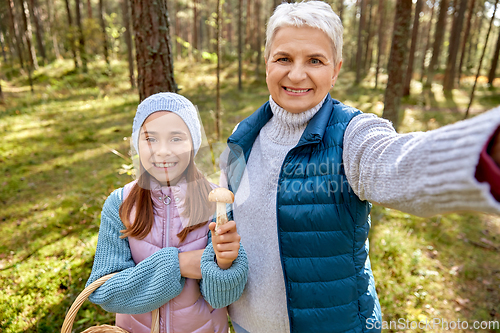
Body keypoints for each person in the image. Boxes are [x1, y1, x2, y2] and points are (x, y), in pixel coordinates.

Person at [218, 1, 500, 333]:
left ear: (335, 71)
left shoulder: (353, 135)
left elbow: (397, 163)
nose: (296, 74)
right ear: (267, 63)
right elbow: (224, 216)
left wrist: (486, 151)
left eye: (315, 60)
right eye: (283, 58)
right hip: (246, 325)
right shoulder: (243, 136)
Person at [86, 92, 248, 333]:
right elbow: (104, 292)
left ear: (193, 143)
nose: (162, 151)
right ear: (136, 143)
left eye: (176, 139)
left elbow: (222, 299)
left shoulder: (217, 204)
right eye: (150, 139)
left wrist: (223, 264)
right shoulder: (119, 205)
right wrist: (178, 264)